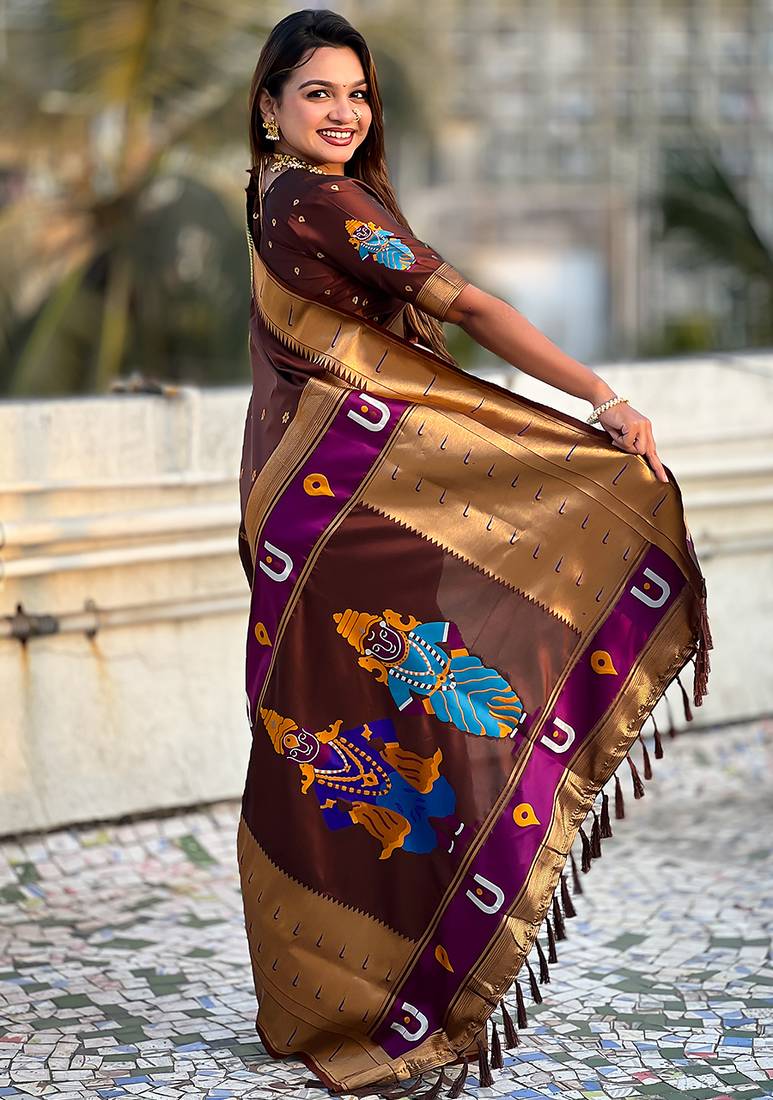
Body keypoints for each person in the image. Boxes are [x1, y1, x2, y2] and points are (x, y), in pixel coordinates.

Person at [235, 10, 711, 1097]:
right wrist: (599, 397)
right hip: (341, 506)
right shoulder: (317, 200)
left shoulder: (272, 194)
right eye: (316, 93)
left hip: (307, 504)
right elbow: (474, 306)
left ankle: (334, 995)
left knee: (339, 734)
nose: (344, 112)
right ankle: (398, 989)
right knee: (405, 724)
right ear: (268, 106)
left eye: (357, 93)